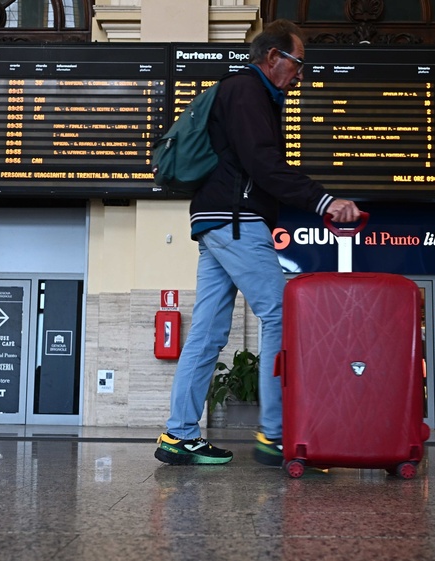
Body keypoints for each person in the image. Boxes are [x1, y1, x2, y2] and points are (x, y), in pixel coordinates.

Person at [154, 19, 362, 466]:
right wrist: (324, 201)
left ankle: (179, 436)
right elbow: (263, 165)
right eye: (297, 63)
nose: (300, 73)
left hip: (216, 222)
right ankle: (276, 435)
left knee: (206, 334)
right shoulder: (248, 90)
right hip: (235, 220)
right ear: (273, 58)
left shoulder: (245, 92)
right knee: (282, 313)